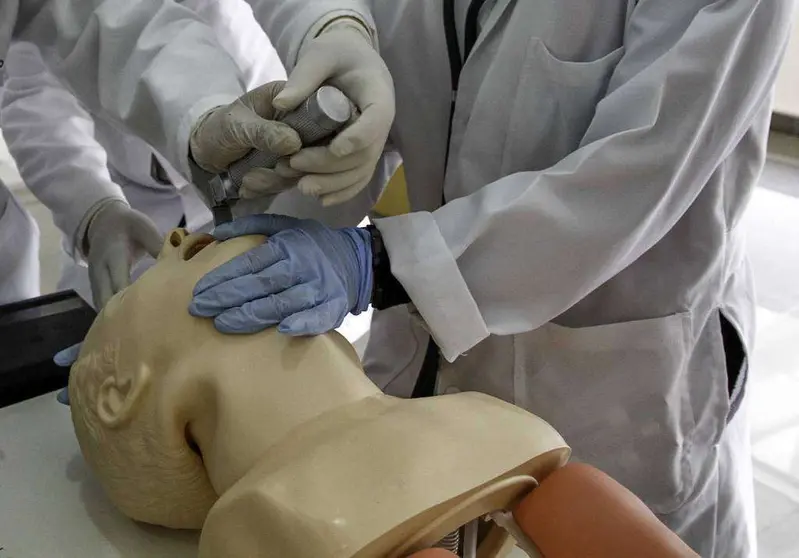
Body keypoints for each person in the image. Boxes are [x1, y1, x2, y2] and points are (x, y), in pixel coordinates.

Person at [188, 1, 794, 556]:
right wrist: (296, 182)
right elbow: (397, 102)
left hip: (612, 372)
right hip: (421, 351)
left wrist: (380, 263)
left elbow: (636, 174)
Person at [0, 0, 329, 310]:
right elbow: (35, 95)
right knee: (103, 328)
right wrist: (93, 208)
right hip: (131, 195)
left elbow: (104, 16)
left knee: (277, 306)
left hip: (254, 158)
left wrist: (203, 117)